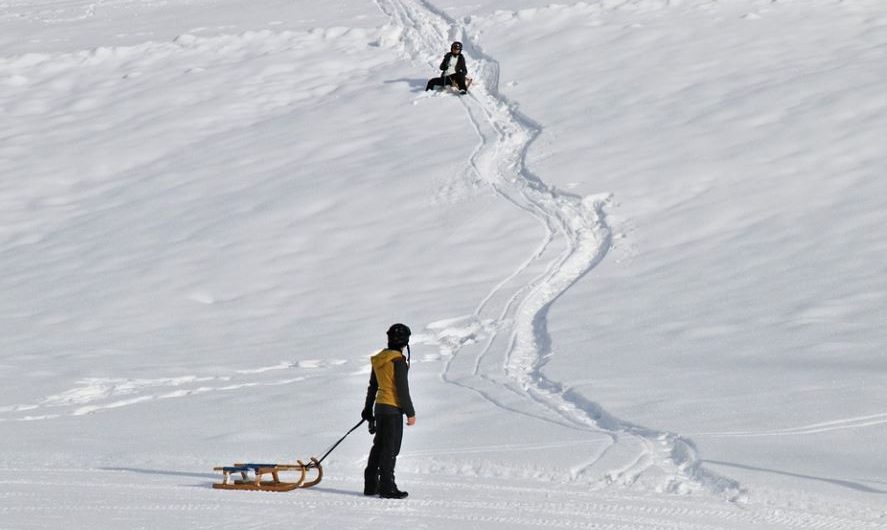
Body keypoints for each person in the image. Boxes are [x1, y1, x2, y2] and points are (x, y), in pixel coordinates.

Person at [362, 323, 416, 499]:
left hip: (380, 408)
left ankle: (371, 484)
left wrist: (367, 409)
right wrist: (410, 412)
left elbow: (373, 386)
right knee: (390, 449)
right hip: (393, 409)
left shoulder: (379, 359)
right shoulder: (398, 360)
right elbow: (402, 389)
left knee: (379, 446)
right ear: (405, 342)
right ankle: (387, 486)